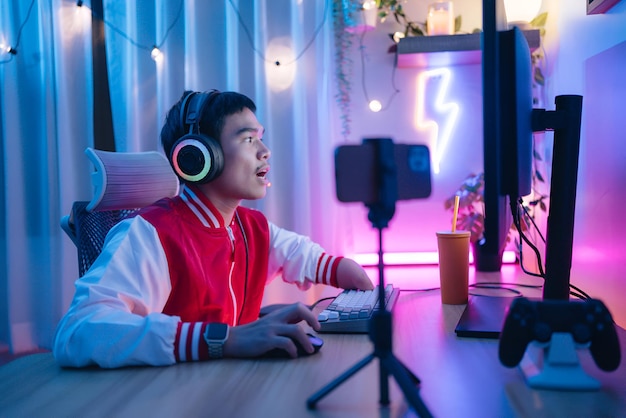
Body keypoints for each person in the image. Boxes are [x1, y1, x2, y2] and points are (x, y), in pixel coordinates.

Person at [53, 90, 373, 368]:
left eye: (260, 137)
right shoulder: (149, 234)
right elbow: (79, 330)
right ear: (199, 157)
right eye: (248, 139)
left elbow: (300, 254)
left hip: (230, 388)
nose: (265, 150)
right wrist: (223, 340)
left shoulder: (249, 227)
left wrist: (340, 271)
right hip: (168, 398)